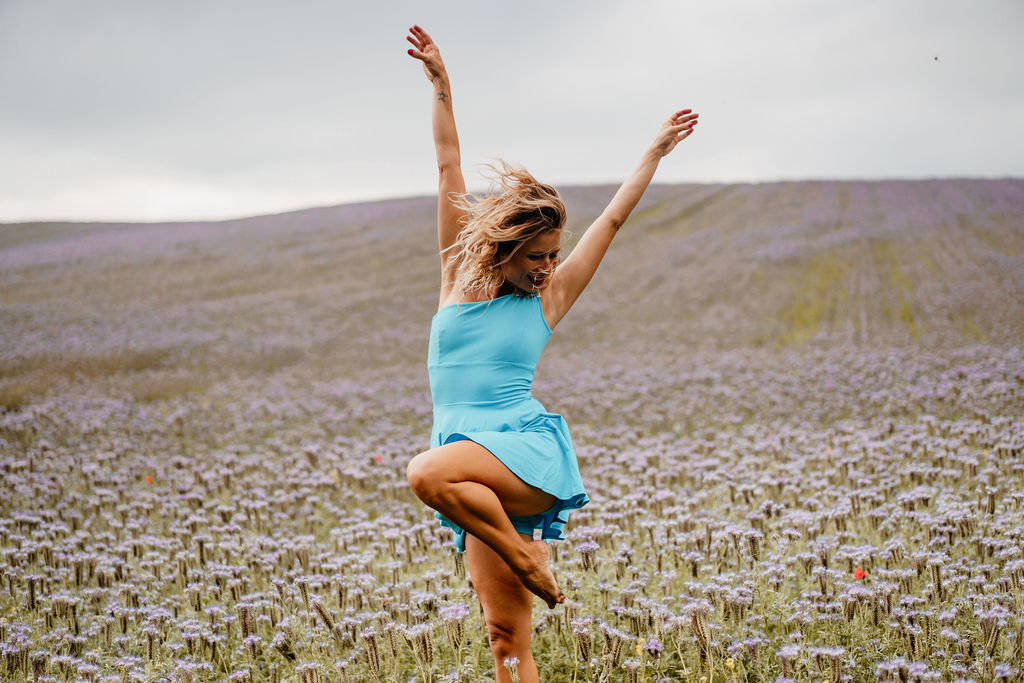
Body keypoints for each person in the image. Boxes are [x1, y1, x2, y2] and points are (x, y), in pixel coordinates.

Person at [403, 25, 698, 682]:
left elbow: (612, 222)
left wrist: (653, 151)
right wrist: (443, 87)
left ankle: (530, 557)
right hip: (469, 467)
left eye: (553, 256)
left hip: (520, 454)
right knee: (504, 635)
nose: (547, 267)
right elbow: (449, 165)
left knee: (423, 474)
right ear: (505, 249)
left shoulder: (548, 298)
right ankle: (523, 560)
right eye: (536, 256)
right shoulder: (456, 274)